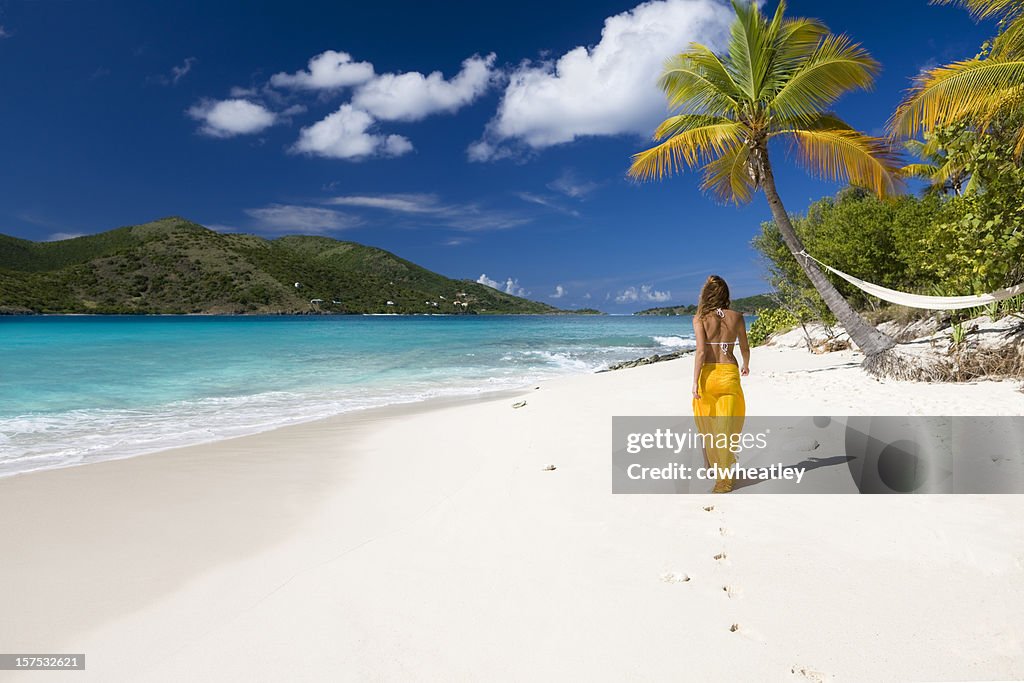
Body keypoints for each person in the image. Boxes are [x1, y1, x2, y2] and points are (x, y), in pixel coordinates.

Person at [691, 275, 750, 493]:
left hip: (708, 376)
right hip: (729, 374)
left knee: (710, 427)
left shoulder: (700, 318)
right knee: (726, 427)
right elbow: (744, 346)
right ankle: (724, 479)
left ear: (706, 294)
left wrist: (695, 382)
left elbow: (700, 352)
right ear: (726, 294)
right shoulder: (737, 317)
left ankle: (719, 472)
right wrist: (746, 364)